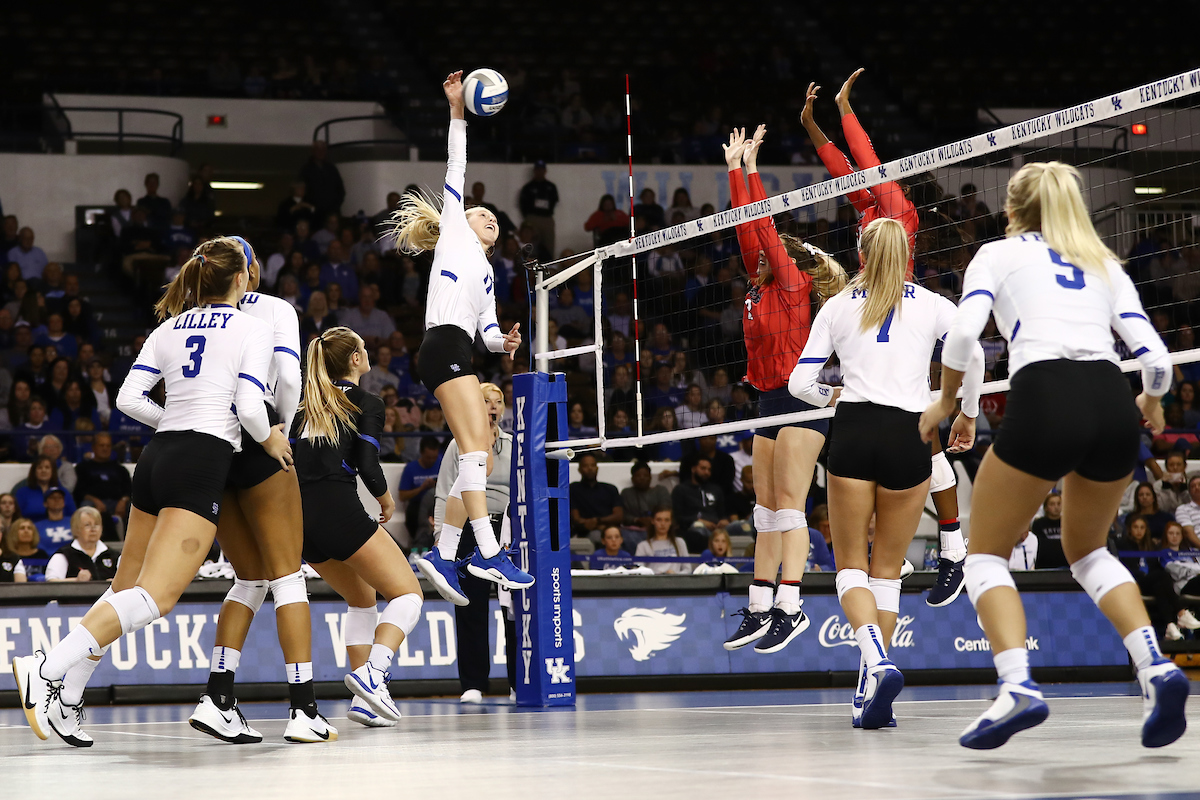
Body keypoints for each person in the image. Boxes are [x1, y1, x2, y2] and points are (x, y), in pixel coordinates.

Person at [919, 161, 1187, 750]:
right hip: (1111, 398)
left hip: (1044, 392)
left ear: (1012, 210)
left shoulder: (997, 253)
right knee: (1089, 551)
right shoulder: (1102, 261)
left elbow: (964, 337)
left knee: (985, 553)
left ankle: (1016, 685)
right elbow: (1160, 362)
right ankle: (1156, 666)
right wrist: (1153, 401)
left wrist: (945, 401)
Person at [12, 236, 295, 749]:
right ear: (240, 278)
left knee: (123, 588)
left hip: (156, 456)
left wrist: (174, 421)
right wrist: (271, 436)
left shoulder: (169, 326)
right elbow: (253, 408)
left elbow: (126, 398)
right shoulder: (252, 327)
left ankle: (70, 698)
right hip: (200, 461)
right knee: (156, 597)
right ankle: (46, 666)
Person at [791, 216, 984, 729]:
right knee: (887, 573)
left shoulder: (836, 307)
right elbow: (976, 352)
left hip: (853, 428)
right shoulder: (934, 305)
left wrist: (832, 395)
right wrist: (965, 410)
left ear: (861, 256)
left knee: (850, 566)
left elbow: (798, 383)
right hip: (910, 433)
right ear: (906, 256)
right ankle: (871, 694)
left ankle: (875, 661)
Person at [397, 72, 533, 603]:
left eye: (494, 218)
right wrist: (457, 109)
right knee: (476, 450)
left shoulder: (486, 275)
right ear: (463, 219)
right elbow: (457, 165)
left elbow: (490, 333)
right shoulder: (453, 232)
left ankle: (445, 554)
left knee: (474, 453)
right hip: (442, 346)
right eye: (482, 213)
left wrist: (507, 344)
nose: (489, 217)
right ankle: (489, 553)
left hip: (460, 349)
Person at [188, 237, 327, 744]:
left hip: (208, 444)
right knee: (288, 577)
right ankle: (303, 710)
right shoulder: (272, 310)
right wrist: (279, 432)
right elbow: (289, 377)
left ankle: (218, 695)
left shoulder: (189, 314)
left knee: (247, 579)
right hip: (257, 432)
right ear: (249, 270)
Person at [720, 126, 848, 655]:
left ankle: (790, 606)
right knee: (765, 510)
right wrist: (734, 167)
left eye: (766, 253)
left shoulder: (793, 285)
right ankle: (757, 605)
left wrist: (754, 172)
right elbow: (746, 230)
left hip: (803, 397)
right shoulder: (758, 284)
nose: (756, 256)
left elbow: (764, 228)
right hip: (768, 400)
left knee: (791, 507)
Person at [289, 326, 423, 730]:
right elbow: (367, 463)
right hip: (337, 509)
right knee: (409, 594)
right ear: (354, 360)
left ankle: (365, 703)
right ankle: (374, 673)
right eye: (364, 348)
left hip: (301, 522)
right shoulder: (368, 401)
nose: (369, 352)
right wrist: (385, 499)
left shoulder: (303, 405)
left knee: (363, 599)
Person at [432, 382, 515, 703]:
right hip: (468, 529)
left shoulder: (514, 446)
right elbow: (443, 492)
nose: (492, 406)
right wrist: (443, 538)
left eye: (497, 401)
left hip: (507, 530)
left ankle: (518, 681)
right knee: (470, 608)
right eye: (485, 400)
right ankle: (473, 684)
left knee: (513, 610)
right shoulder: (459, 445)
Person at [672, 457, 728, 553]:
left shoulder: (716, 490)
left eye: (709, 470)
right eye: (703, 468)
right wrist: (698, 520)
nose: (706, 472)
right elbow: (678, 518)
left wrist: (723, 521)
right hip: (692, 529)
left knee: (741, 526)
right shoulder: (681, 490)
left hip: (716, 528)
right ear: (693, 469)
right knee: (699, 527)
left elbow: (722, 514)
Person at [44, 508, 116, 582]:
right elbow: (51, 582)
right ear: (76, 529)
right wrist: (76, 580)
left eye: (96, 525)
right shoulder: (64, 555)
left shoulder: (114, 555)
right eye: (87, 525)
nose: (93, 529)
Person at [569, 453, 624, 542]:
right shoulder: (573, 489)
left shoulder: (610, 489)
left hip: (611, 530)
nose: (590, 468)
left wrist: (598, 521)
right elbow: (576, 519)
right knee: (597, 536)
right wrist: (597, 525)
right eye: (586, 466)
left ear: (597, 468)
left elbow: (619, 516)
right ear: (579, 469)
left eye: (592, 465)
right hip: (585, 532)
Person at [397, 436, 443, 539]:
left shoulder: (442, 464)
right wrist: (422, 488)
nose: (431, 461)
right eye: (428, 457)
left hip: (438, 501)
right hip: (417, 504)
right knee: (413, 514)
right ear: (421, 453)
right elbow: (402, 496)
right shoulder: (410, 468)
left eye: (434, 458)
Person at [17, 456, 77, 522]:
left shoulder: (63, 492)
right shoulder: (22, 493)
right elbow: (17, 517)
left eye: (47, 467)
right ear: (34, 471)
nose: (43, 470)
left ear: (53, 471)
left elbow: (73, 516)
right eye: (40, 468)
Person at [518, 159, 559, 257]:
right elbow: (523, 203)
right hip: (533, 218)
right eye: (537, 169)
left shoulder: (550, 186)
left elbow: (554, 201)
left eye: (541, 169)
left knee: (548, 244)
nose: (539, 172)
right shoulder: (528, 187)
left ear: (545, 171)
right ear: (534, 171)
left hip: (546, 218)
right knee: (531, 244)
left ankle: (550, 265)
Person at [635, 508, 691, 575]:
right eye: (659, 520)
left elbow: (687, 569)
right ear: (653, 521)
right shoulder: (643, 546)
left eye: (667, 520)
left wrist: (676, 575)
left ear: (671, 522)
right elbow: (638, 572)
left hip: (676, 582)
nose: (663, 524)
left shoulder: (679, 542)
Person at [1, 518, 49, 583]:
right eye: (22, 528)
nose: (26, 531)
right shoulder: (10, 557)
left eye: (29, 528)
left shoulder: (42, 554)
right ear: (14, 533)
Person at [1030, 492, 1066, 568]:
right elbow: (1041, 544)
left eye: (1059, 504)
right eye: (1052, 504)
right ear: (1046, 507)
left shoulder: (1067, 523)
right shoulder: (1038, 523)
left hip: (1065, 563)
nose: (1056, 507)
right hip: (1045, 563)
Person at [1172, 475, 1200, 549]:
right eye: (1193, 486)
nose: (1197, 488)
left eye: (1199, 485)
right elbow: (1189, 533)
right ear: (1189, 492)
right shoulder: (1183, 509)